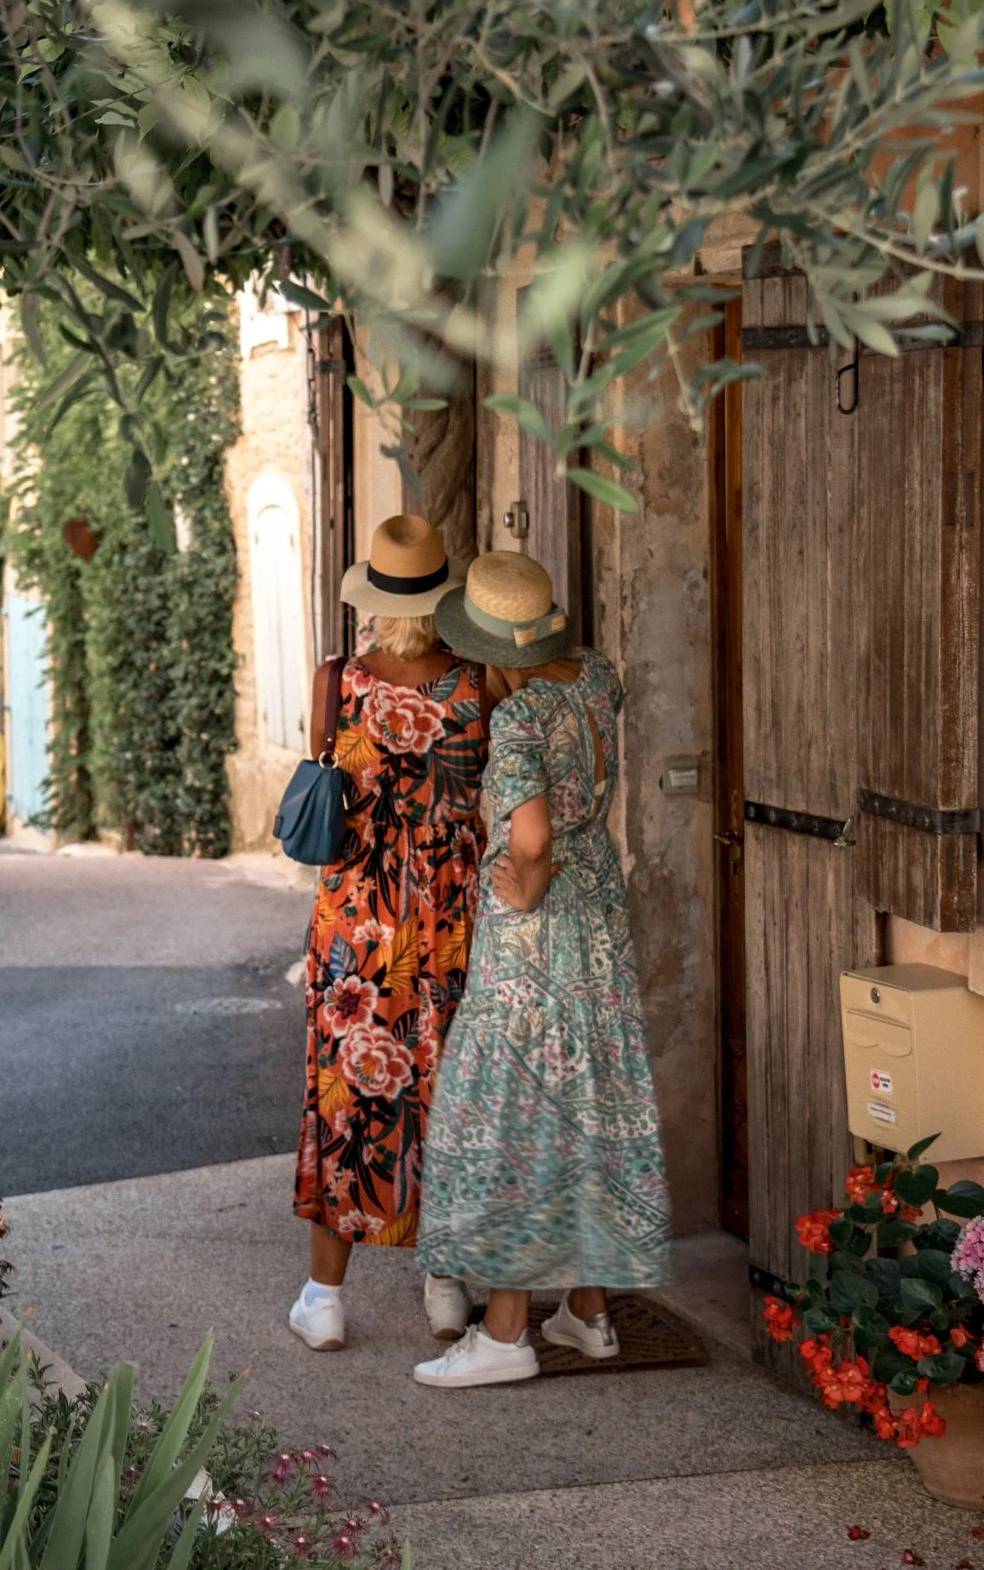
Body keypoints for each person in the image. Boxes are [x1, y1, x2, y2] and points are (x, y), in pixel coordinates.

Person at [411, 551, 672, 1388]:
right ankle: (589, 1313)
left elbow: (529, 838)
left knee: (518, 1110)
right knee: (583, 1095)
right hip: (600, 916)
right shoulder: (597, 675)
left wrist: (521, 885)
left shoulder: (519, 718)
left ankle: (505, 1333)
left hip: (538, 931)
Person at [290, 514, 490, 1352]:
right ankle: (444, 1287)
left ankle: (325, 1300)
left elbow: (323, 773)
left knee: (348, 1092)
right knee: (444, 1088)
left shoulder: (338, 680)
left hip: (358, 923)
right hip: (448, 916)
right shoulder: (478, 683)